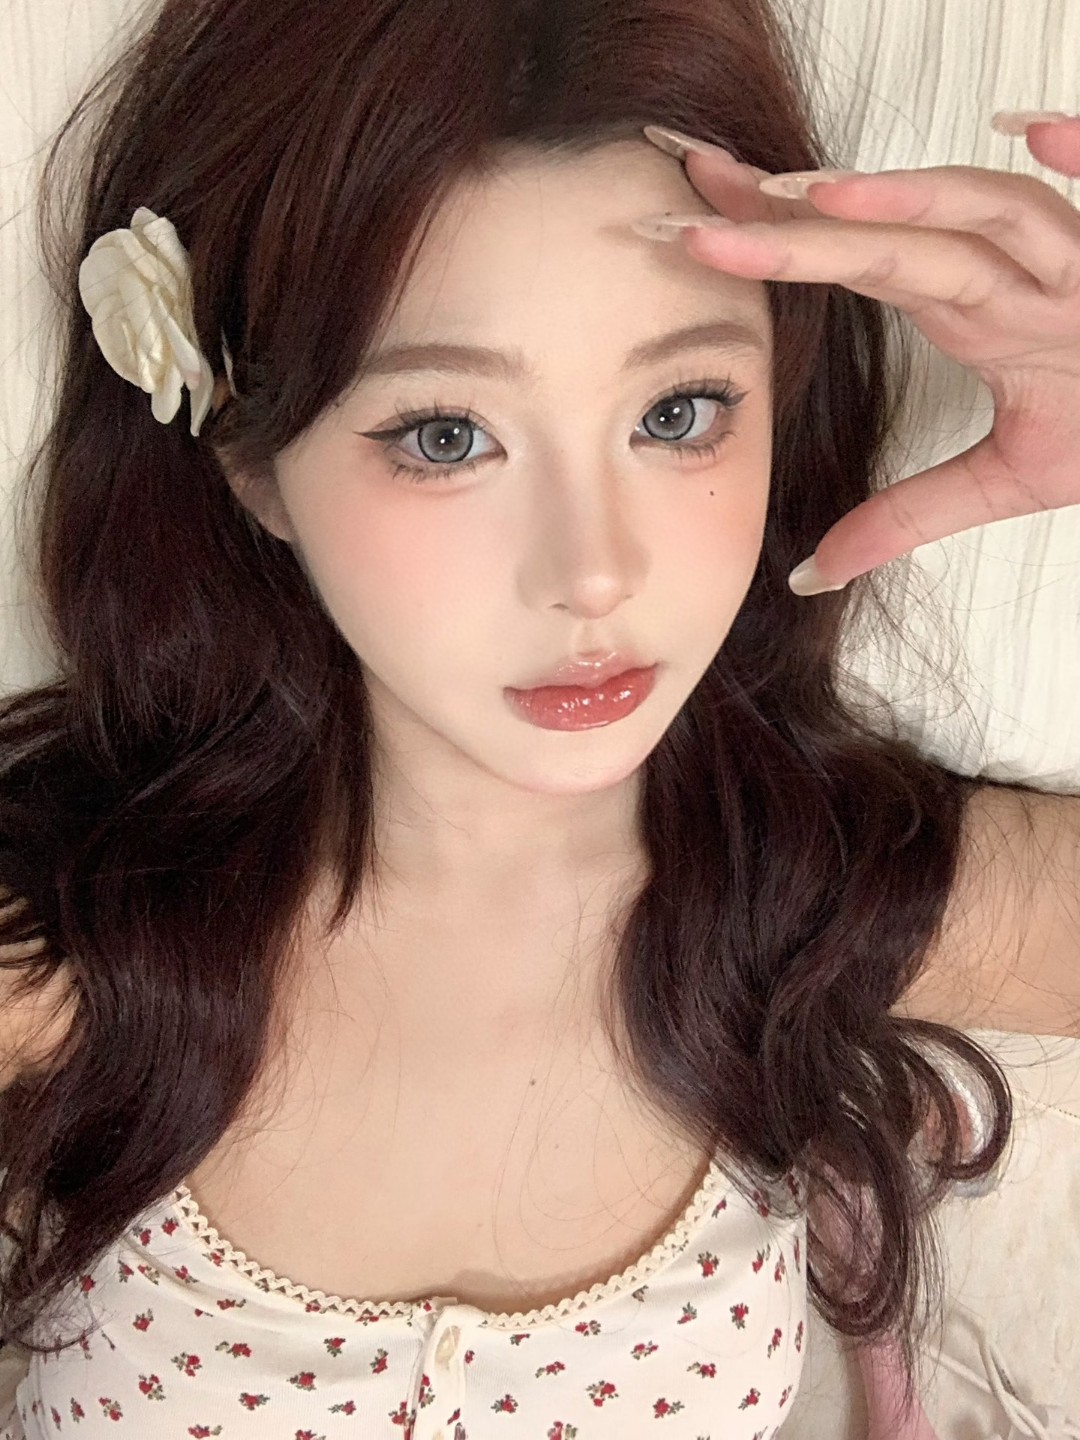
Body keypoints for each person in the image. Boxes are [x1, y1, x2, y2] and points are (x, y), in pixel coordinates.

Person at [1, 0, 1078, 1435]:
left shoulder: (832, 900)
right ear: (250, 462)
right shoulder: (74, 954)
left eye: (680, 412)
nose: (595, 572)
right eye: (447, 435)